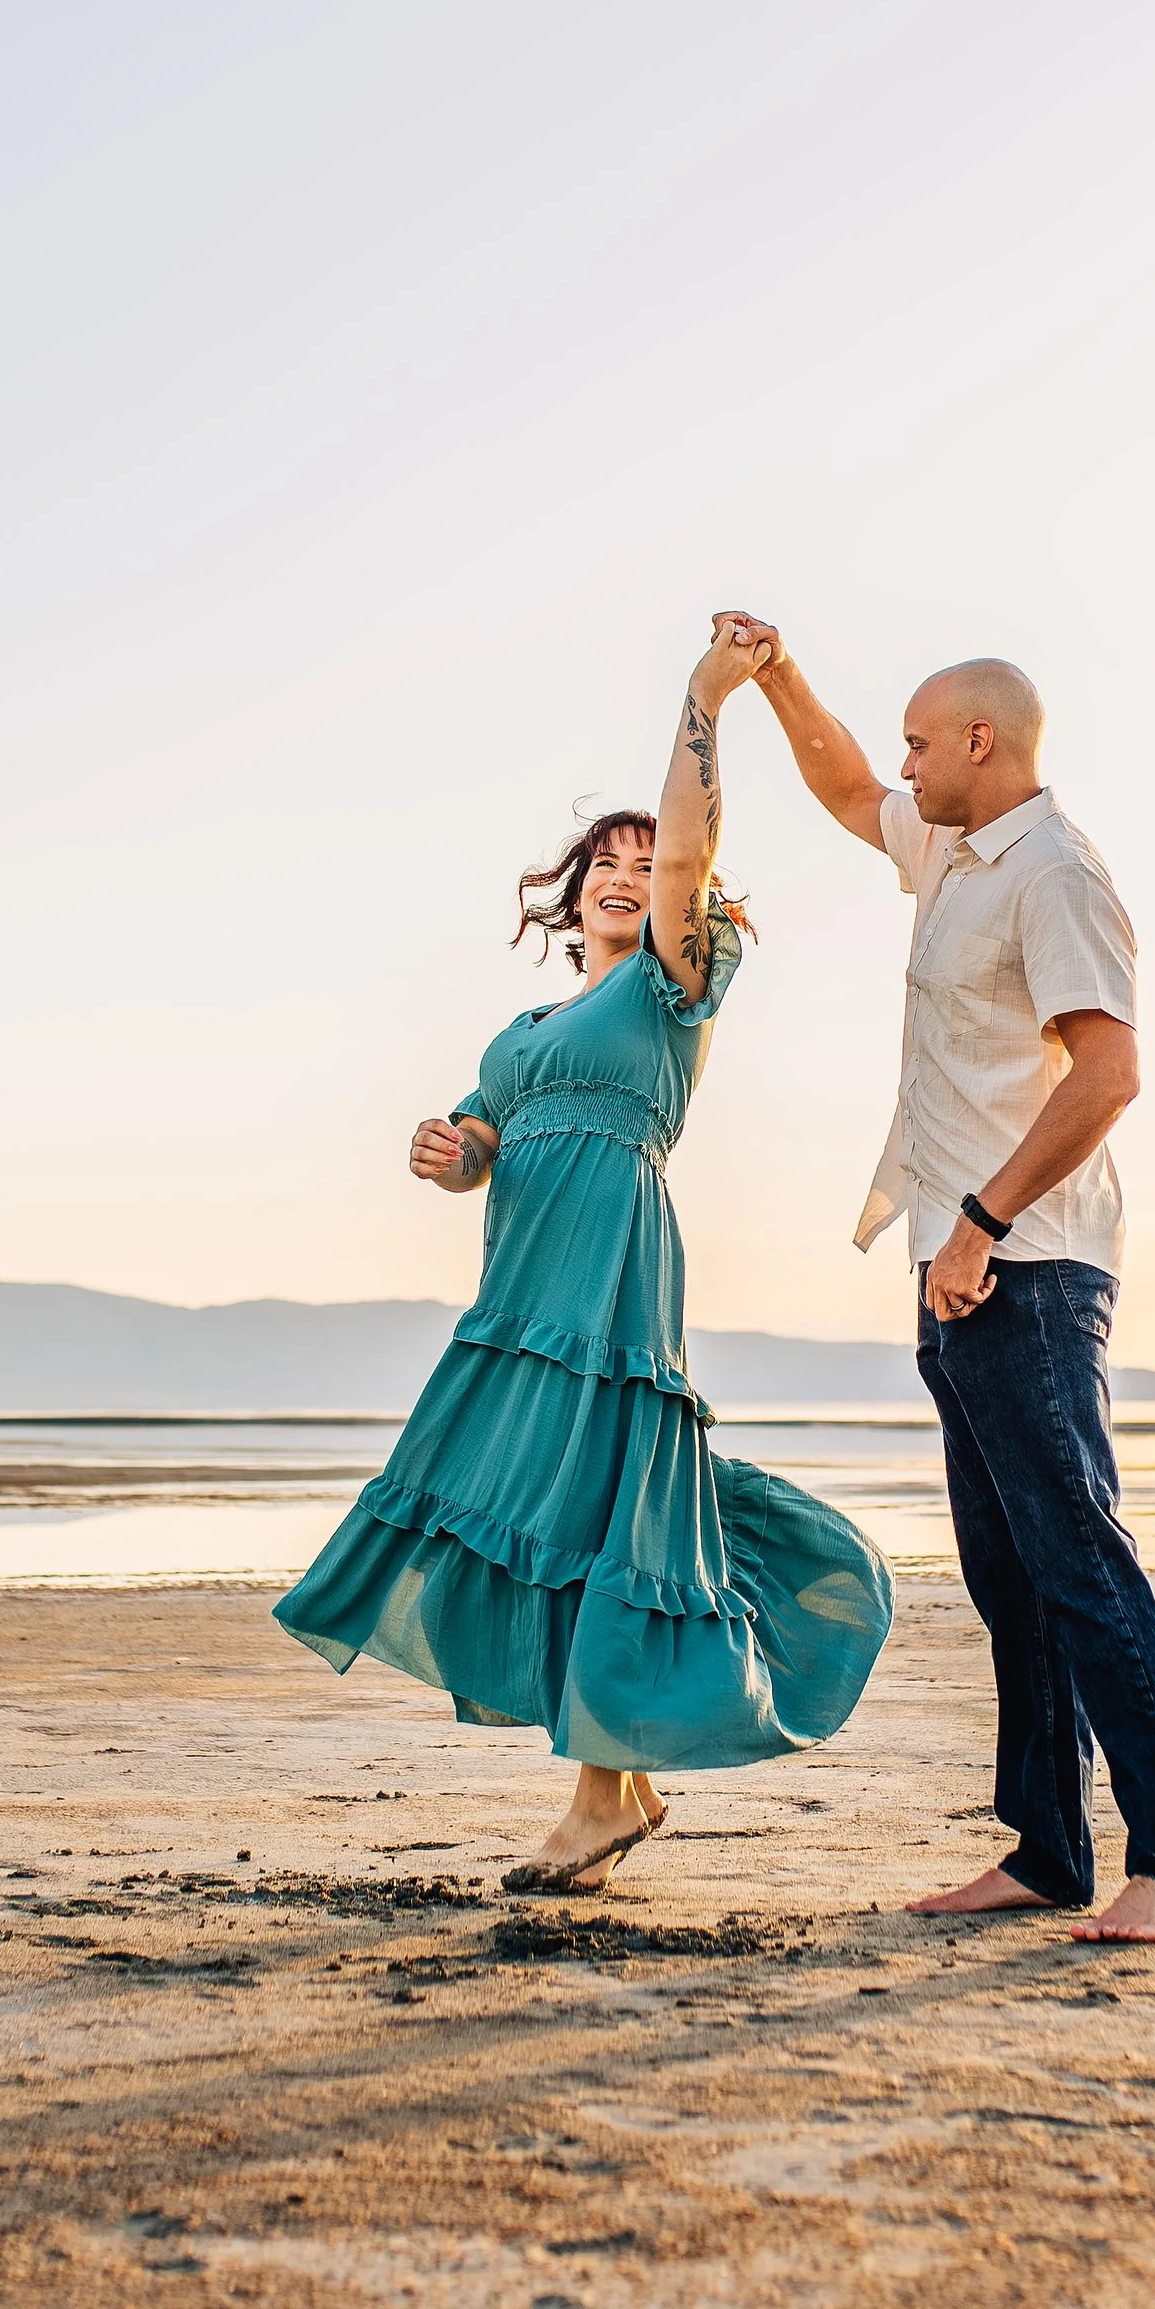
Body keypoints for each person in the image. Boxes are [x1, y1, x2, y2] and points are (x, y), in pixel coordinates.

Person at [273, 625, 893, 1891]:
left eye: (646, 859)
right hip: (521, 1291)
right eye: (605, 863)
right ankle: (619, 1787)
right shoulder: (526, 1026)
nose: (629, 872)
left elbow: (691, 846)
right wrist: (449, 1150)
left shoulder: (676, 980)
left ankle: (600, 1798)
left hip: (610, 1271)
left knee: (607, 1496)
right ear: (569, 898)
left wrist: (704, 698)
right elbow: (476, 1148)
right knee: (561, 1508)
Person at [720, 616, 1155, 1943]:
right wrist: (774, 675)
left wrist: (986, 1221)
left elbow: (1109, 1073)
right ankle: (1047, 1848)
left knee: (1080, 1557)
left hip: (1030, 1262)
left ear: (981, 743)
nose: (903, 760)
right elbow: (835, 784)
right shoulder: (947, 848)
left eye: (922, 741)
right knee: (1010, 1575)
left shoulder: (1054, 871)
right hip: (960, 1258)